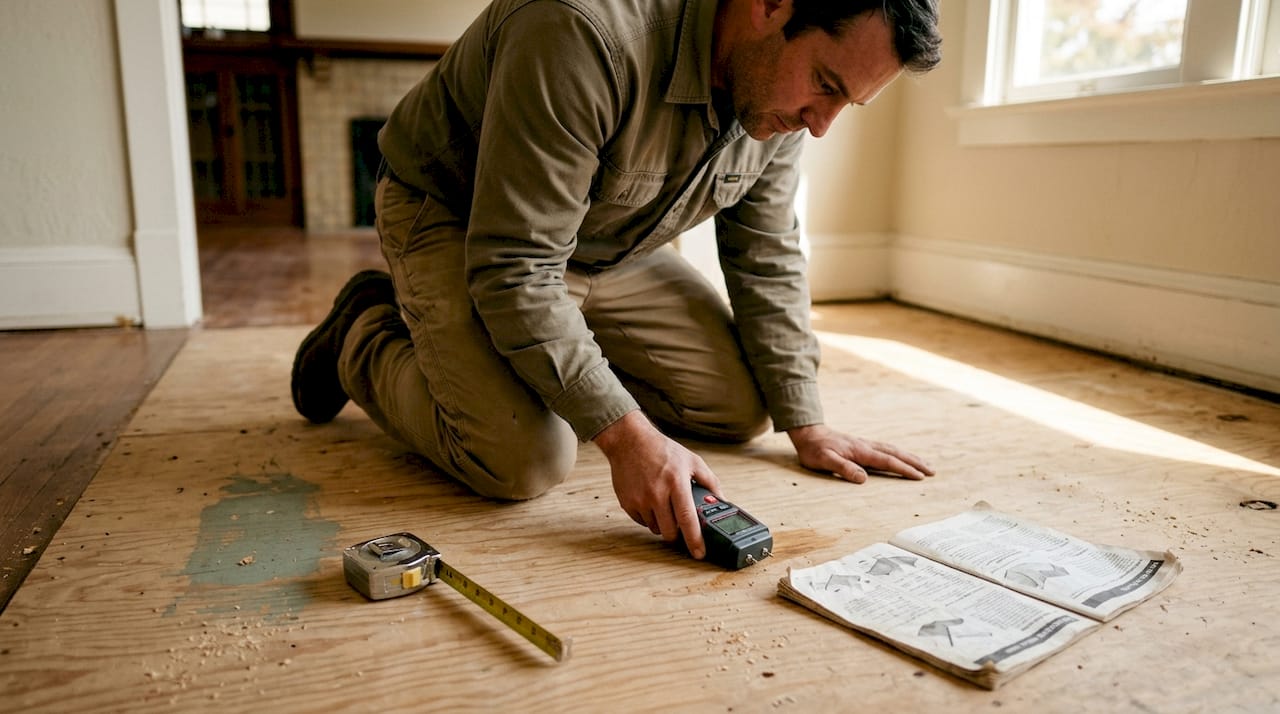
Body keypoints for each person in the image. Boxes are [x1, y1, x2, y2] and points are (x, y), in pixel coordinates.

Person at [292, 0, 942, 561]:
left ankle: (536, 358)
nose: (822, 123)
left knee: (742, 408)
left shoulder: (781, 99)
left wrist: (808, 423)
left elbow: (765, 250)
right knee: (524, 458)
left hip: (610, 242)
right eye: (826, 85)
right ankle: (365, 331)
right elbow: (514, 264)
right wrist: (626, 437)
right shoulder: (578, 30)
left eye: (846, 103)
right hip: (461, 221)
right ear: (770, 4)